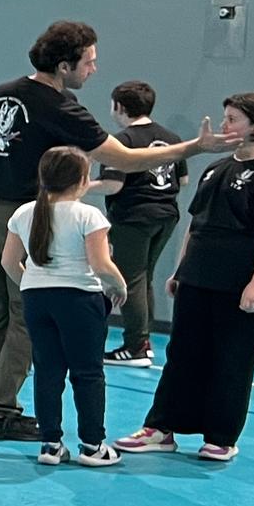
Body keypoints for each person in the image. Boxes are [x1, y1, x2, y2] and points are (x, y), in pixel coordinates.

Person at [0, 21, 215, 441]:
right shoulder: (58, 106)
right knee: (27, 317)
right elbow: (127, 158)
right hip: (31, 220)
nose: (94, 70)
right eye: (89, 62)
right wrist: (194, 148)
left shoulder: (0, 93)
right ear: (65, 66)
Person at [120, 94, 254, 466]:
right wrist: (181, 270)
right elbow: (195, 223)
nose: (224, 125)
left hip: (237, 285)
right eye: (225, 117)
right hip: (198, 278)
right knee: (182, 355)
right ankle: (161, 428)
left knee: (232, 360)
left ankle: (221, 436)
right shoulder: (215, 168)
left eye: (233, 119)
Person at [0, 146, 129, 468]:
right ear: (83, 180)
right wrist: (120, 285)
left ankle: (51, 444)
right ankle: (92, 445)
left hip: (36, 299)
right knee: (87, 373)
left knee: (47, 371)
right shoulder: (88, 215)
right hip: (79, 300)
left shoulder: (24, 213)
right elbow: (101, 264)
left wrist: (33, 283)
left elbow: (8, 261)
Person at [89, 80, 186, 369]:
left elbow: (112, 185)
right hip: (166, 215)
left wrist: (79, 187)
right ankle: (142, 340)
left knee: (129, 279)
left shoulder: (121, 141)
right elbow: (183, 180)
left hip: (133, 217)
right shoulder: (172, 137)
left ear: (118, 106)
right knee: (144, 278)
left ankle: (136, 346)